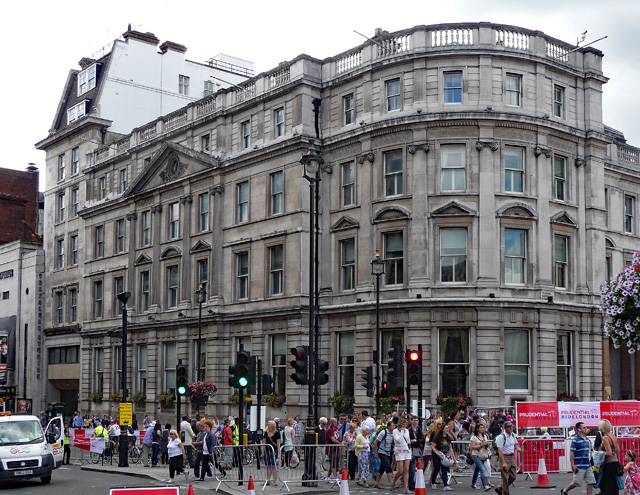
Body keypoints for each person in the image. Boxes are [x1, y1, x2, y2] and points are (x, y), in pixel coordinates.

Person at [561, 422, 596, 495]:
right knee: (576, 483)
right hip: (579, 466)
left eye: (586, 427)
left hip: (588, 465)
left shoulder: (587, 440)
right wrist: (573, 465)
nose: (586, 429)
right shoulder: (575, 440)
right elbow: (572, 452)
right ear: (579, 429)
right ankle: (565, 491)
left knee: (591, 482)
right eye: (584, 428)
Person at [494, 421, 520, 495]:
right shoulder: (501, 437)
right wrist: (503, 462)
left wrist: (517, 448)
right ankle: (506, 493)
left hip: (511, 457)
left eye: (511, 426)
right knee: (505, 477)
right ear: (505, 428)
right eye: (509, 427)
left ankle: (500, 487)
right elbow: (500, 450)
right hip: (505, 456)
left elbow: (515, 444)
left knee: (513, 476)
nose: (511, 428)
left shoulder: (513, 435)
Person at [431, 423, 456, 491]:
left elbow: (450, 448)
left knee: (444, 470)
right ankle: (433, 482)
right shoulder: (437, 437)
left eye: (448, 428)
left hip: (445, 455)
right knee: (436, 469)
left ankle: (446, 485)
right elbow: (433, 447)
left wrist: (454, 458)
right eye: (446, 428)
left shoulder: (448, 438)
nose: (447, 430)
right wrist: (438, 455)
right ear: (442, 430)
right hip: (437, 455)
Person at [599, 419, 620, 495]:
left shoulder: (605, 438)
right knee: (613, 483)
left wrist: (600, 455)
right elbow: (617, 449)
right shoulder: (613, 436)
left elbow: (609, 453)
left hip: (609, 463)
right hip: (615, 461)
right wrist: (618, 460)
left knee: (605, 483)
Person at [374, 420, 396, 489]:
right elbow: (376, 442)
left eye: (394, 426)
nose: (393, 427)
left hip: (388, 452)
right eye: (392, 426)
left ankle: (377, 483)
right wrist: (376, 453)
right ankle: (391, 483)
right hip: (382, 451)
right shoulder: (383, 432)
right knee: (388, 467)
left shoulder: (393, 433)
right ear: (388, 427)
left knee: (382, 468)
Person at [393, 418, 412, 493]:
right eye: (403, 424)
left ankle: (406, 488)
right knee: (400, 471)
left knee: (406, 469)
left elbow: (408, 440)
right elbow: (398, 440)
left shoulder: (406, 430)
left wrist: (410, 451)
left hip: (406, 450)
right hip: (399, 450)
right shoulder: (395, 431)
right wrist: (401, 432)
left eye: (405, 424)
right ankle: (393, 483)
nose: (404, 426)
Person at [470, 422, 491, 490]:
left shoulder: (485, 436)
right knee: (482, 469)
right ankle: (485, 485)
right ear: (477, 429)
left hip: (483, 455)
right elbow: (472, 447)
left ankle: (473, 484)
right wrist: (481, 445)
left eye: (483, 428)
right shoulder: (474, 437)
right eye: (481, 428)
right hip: (476, 455)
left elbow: (486, 445)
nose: (482, 429)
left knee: (477, 470)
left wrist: (487, 445)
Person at [408, 415, 425, 490]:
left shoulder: (419, 429)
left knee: (421, 467)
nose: (415, 422)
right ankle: (411, 484)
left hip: (419, 449)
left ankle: (418, 481)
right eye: (414, 420)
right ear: (411, 421)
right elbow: (409, 441)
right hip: (412, 450)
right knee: (412, 468)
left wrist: (416, 441)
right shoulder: (409, 430)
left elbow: (422, 439)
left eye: (417, 420)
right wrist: (415, 442)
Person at [263, 420, 281, 486]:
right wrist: (263, 452)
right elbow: (264, 443)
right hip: (267, 451)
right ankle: (268, 480)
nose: (268, 426)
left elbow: (278, 444)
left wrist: (279, 453)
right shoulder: (266, 433)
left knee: (273, 466)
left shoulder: (277, 433)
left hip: (274, 451)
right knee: (268, 466)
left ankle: (274, 480)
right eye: (268, 424)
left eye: (269, 424)